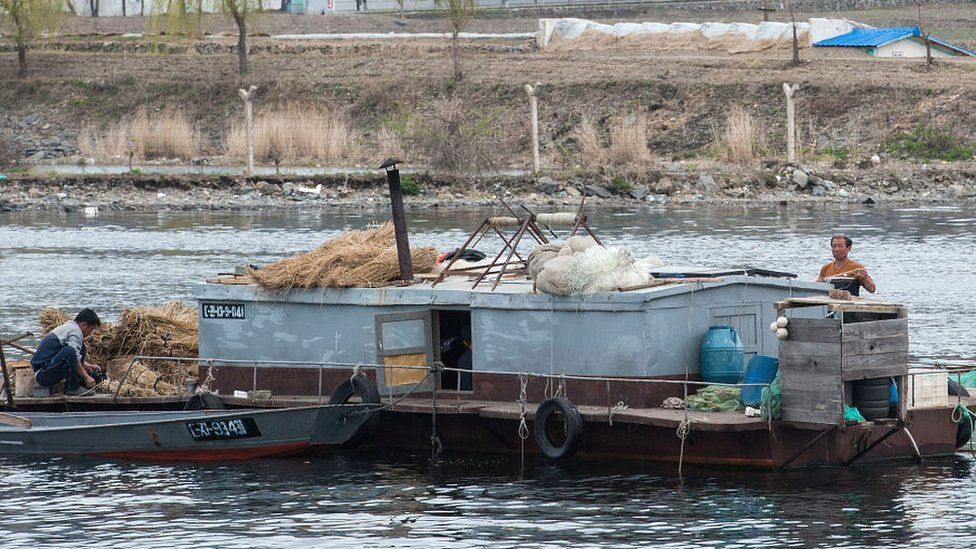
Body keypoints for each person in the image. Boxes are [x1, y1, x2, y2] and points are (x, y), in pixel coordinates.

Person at [30, 308, 103, 396]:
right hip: (43, 375)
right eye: (91, 329)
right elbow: (73, 356)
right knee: (70, 351)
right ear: (84, 325)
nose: (90, 333)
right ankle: (72, 388)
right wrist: (86, 377)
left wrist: (88, 366)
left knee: (80, 348)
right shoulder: (75, 332)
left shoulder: (70, 327)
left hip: (48, 368)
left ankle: (77, 384)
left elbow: (73, 356)